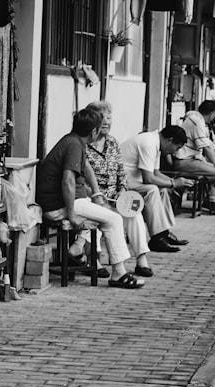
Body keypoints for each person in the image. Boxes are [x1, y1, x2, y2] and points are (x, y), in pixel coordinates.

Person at [35, 108, 143, 289]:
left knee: (104, 214)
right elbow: (68, 181)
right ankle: (119, 273)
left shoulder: (72, 141)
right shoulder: (74, 145)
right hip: (58, 205)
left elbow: (85, 169)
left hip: (66, 201)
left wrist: (96, 194)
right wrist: (71, 215)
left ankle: (79, 250)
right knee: (114, 218)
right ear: (93, 131)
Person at [84, 101, 158, 277]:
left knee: (135, 213)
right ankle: (93, 261)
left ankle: (141, 260)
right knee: (96, 218)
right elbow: (79, 178)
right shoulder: (84, 145)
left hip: (115, 197)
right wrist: (95, 195)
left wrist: (122, 190)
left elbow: (120, 171)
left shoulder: (112, 142)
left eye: (109, 117)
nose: (107, 122)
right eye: (102, 118)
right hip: (94, 197)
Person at [120, 126, 195, 249]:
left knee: (162, 189)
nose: (175, 152)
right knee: (152, 190)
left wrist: (175, 182)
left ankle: (163, 233)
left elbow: (156, 173)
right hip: (122, 183)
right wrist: (175, 183)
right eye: (177, 147)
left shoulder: (155, 142)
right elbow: (148, 179)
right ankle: (157, 238)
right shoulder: (149, 143)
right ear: (169, 140)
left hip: (132, 180)